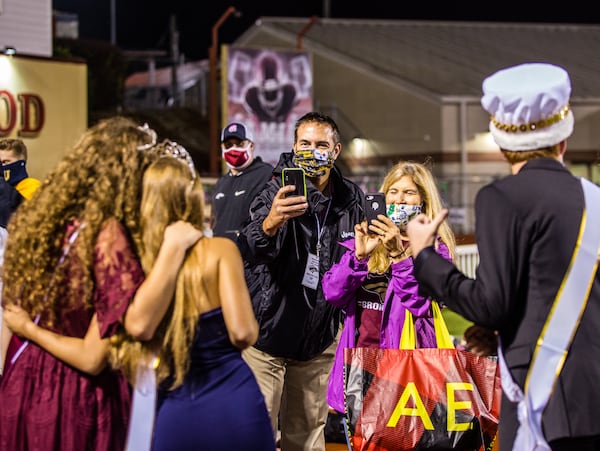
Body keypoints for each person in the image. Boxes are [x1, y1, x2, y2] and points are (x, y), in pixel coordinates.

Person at [406, 62, 600, 451]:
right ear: (562, 139)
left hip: (543, 397)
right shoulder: (595, 198)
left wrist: (425, 255)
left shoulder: (500, 198)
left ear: (501, 143)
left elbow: (491, 303)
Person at [0, 117, 189, 451]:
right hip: (73, 396)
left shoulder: (41, 223)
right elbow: (92, 358)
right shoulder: (107, 236)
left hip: (21, 387)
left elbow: (10, 320)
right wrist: (31, 330)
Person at [109, 141, 276, 451]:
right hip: (234, 399)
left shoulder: (139, 260)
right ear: (193, 196)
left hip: (176, 403)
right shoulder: (220, 251)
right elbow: (244, 333)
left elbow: (139, 326)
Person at [237, 111, 365, 451]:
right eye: (304, 144)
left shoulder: (352, 201)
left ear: (336, 150)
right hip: (267, 336)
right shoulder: (275, 188)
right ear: (294, 147)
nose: (312, 151)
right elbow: (249, 247)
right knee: (256, 435)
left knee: (307, 439)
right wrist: (271, 222)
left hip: (317, 340)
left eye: (321, 144)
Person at [322, 160, 456, 415]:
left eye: (408, 193)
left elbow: (420, 303)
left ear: (423, 201)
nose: (399, 200)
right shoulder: (366, 241)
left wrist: (398, 256)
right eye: (393, 192)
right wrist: (358, 258)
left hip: (407, 368)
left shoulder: (435, 250)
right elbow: (333, 293)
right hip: (360, 365)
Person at [211, 122, 274, 241]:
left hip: (250, 255)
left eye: (240, 144)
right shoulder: (221, 183)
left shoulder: (266, 175)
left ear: (251, 146)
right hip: (220, 251)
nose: (234, 149)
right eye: (228, 145)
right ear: (222, 148)